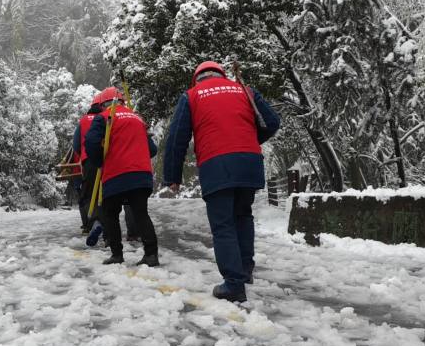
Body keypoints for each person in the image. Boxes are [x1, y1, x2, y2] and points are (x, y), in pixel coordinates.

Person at [163, 61, 280, 302]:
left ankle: (234, 284)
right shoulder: (244, 90)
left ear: (196, 79)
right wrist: (249, 140)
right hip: (249, 161)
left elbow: (177, 138)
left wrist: (172, 176)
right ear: (221, 75)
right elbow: (273, 122)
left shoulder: (192, 96)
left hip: (217, 164)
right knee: (243, 216)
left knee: (223, 224)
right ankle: (245, 271)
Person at [85, 87, 160, 266]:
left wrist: (99, 161)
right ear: (122, 102)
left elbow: (91, 142)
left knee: (110, 214)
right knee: (141, 213)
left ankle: (117, 254)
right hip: (141, 174)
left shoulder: (103, 118)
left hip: (116, 173)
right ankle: (151, 254)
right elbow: (152, 149)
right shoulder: (137, 119)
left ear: (103, 104)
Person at [73, 94, 104, 234]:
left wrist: (83, 156)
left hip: (89, 161)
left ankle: (89, 224)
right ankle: (106, 225)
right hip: (108, 160)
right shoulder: (108, 118)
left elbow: (76, 144)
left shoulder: (84, 121)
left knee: (88, 193)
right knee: (105, 194)